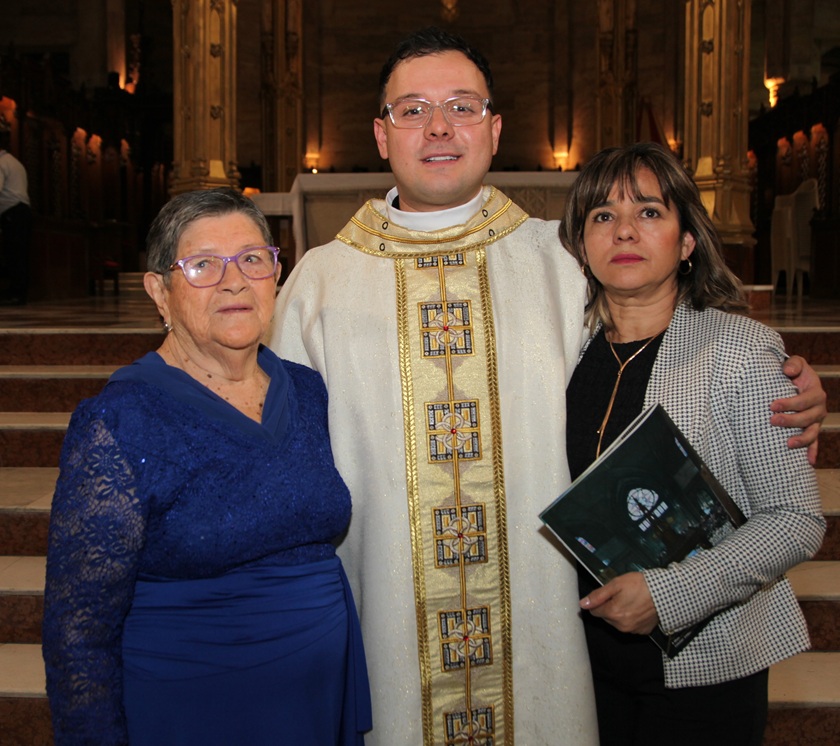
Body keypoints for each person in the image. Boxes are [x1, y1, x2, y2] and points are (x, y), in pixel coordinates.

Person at [269, 28, 826, 745]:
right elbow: (278, 445)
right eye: (412, 110)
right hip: (389, 614)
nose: (439, 127)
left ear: (495, 129)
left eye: (462, 106)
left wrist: (790, 384)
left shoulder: (557, 260)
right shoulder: (319, 280)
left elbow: (666, 331)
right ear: (382, 135)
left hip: (547, 623)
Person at [42, 188, 371, 746]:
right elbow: (79, 630)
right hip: (192, 709)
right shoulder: (121, 419)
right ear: (160, 293)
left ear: (275, 274)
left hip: (316, 702)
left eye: (252, 258)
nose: (234, 281)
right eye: (202, 266)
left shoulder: (307, 389)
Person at [561, 142, 826, 746]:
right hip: (579, 664)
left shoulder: (738, 353)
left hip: (702, 663)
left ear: (686, 242)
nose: (624, 229)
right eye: (602, 215)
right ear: (581, 244)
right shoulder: (560, 352)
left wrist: (670, 592)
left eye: (649, 212)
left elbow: (796, 520)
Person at [0, 129, 32, 305]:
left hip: (13, 212)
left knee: (14, 254)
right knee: (20, 254)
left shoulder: (1, 163)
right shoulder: (14, 162)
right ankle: (18, 292)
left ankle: (15, 295)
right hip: (22, 211)